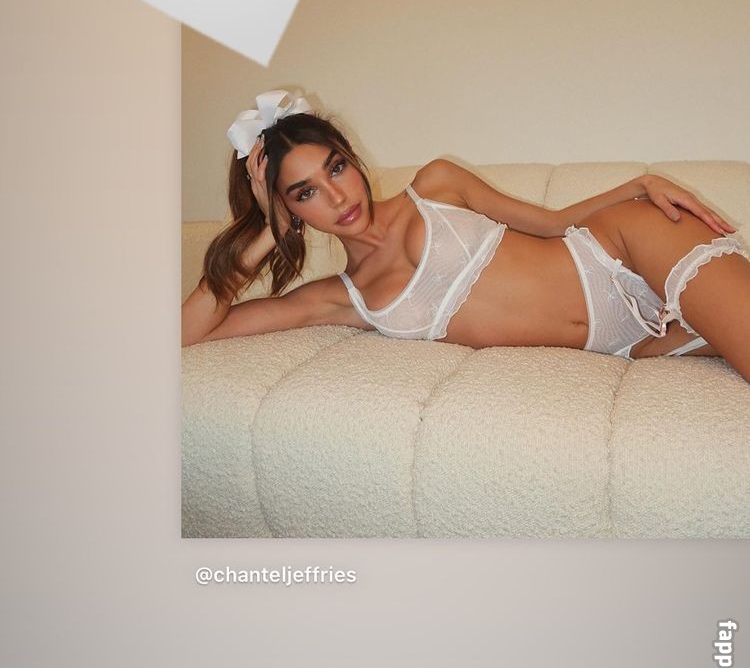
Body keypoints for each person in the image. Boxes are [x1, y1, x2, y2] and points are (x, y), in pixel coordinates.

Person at [182, 90, 750, 380]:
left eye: (335, 168)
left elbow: (554, 224)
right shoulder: (344, 299)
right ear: (288, 207)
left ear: (352, 159)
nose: (336, 196)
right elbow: (188, 333)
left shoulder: (436, 184)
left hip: (623, 251)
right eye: (304, 192)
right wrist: (267, 231)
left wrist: (639, 185)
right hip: (631, 344)